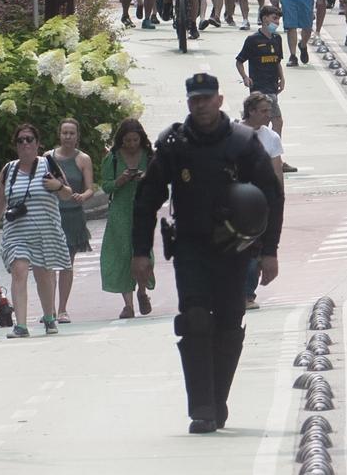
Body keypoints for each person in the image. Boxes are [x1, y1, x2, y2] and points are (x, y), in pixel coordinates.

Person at [131, 73, 285, 434]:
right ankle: (201, 407)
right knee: (196, 319)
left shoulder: (243, 143)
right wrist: (140, 252)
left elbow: (272, 196)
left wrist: (270, 251)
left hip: (235, 249)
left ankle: (218, 399)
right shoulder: (174, 144)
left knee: (230, 323)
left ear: (219, 100)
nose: (200, 105)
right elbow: (147, 198)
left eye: (206, 99)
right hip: (191, 247)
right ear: (188, 103)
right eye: (194, 100)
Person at [0, 121, 75, 337]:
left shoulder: (48, 165)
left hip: (45, 231)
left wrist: (58, 186)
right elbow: (0, 201)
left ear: (37, 144)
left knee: (44, 276)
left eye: (29, 139)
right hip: (17, 232)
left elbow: (67, 194)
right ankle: (21, 326)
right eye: (20, 140)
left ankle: (49, 317)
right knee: (18, 272)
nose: (25, 143)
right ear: (16, 145)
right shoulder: (8, 170)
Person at [99, 118, 156, 319]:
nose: (132, 145)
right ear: (121, 140)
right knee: (122, 255)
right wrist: (120, 181)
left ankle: (142, 291)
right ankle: (128, 305)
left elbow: (160, 181)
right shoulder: (113, 158)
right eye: (127, 141)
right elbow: (105, 185)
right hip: (120, 212)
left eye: (135, 140)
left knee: (143, 254)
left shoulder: (149, 156)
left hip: (142, 211)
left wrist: (146, 178)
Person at [50, 119, 98, 323]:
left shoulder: (83, 159)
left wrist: (83, 196)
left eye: (71, 133)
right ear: (59, 135)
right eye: (64, 133)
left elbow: (90, 188)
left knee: (67, 263)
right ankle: (49, 308)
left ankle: (62, 309)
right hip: (52, 215)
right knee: (49, 264)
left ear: (77, 136)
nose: (68, 137)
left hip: (73, 216)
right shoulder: (48, 158)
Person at [239, 93, 284, 309]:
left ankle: (248, 291)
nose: (268, 115)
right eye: (264, 111)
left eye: (269, 111)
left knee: (256, 249)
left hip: (263, 202)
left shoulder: (272, 138)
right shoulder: (233, 133)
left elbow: (277, 171)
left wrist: (278, 198)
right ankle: (244, 294)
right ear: (251, 111)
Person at [236, 4, 290, 163]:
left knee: (266, 123)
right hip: (259, 88)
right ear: (264, 18)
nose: (277, 22)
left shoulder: (277, 39)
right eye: (274, 18)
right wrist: (245, 77)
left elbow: (277, 61)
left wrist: (282, 79)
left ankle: (267, 154)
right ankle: (273, 157)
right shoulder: (253, 40)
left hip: (272, 86)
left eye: (278, 19)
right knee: (274, 121)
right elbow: (239, 62)